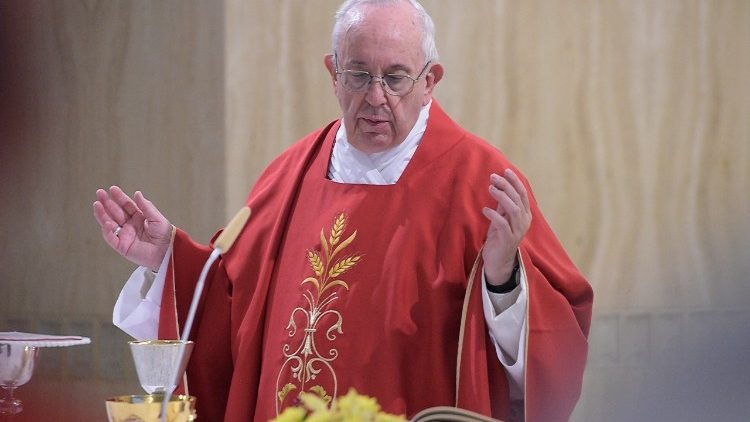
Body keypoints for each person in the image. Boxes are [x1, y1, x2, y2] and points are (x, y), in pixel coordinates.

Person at [93, 0, 593, 421]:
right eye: (359, 75)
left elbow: (558, 345)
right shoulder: (288, 176)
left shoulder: (482, 186)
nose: (376, 97)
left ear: (430, 81)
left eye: (396, 78)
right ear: (333, 73)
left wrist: (504, 277)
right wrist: (166, 258)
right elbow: (231, 311)